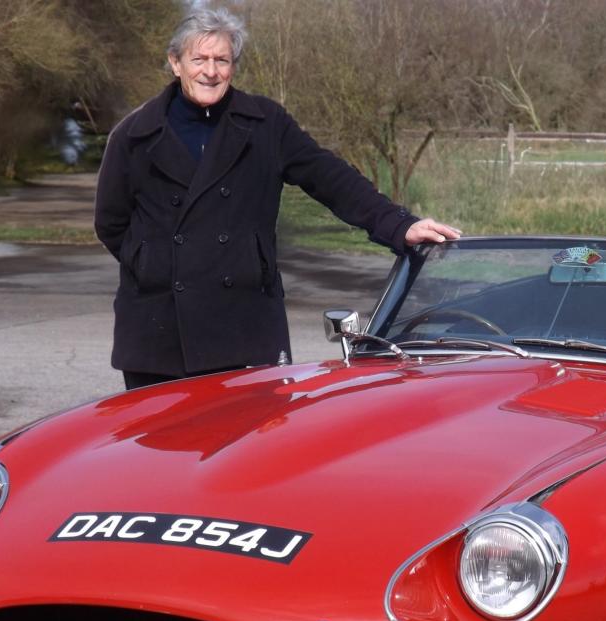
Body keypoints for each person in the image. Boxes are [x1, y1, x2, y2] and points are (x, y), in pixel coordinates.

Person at [94, 7, 461, 391]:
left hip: (244, 326)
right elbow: (111, 223)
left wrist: (399, 224)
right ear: (175, 63)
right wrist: (155, 263)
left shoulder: (266, 124)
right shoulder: (134, 135)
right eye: (198, 59)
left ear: (234, 66)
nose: (210, 70)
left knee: (248, 448)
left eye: (222, 60)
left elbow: (329, 178)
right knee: (161, 450)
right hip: (159, 332)